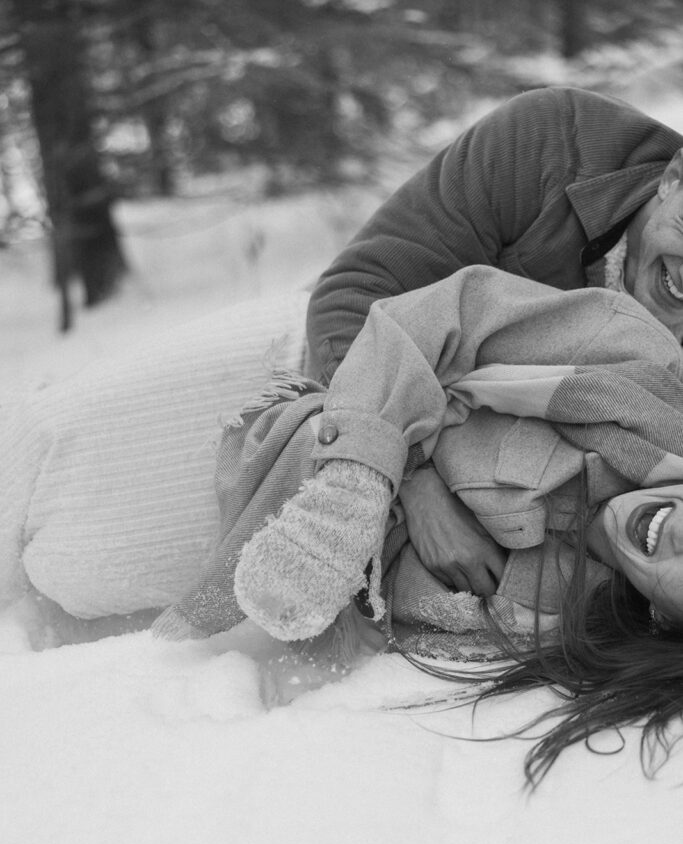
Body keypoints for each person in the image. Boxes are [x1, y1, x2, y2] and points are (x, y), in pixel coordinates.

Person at [153, 265, 683, 784]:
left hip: (262, 542)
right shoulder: (640, 365)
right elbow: (439, 316)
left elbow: (397, 609)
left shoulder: (573, 624)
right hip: (303, 381)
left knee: (94, 587)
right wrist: (381, 484)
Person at [304, 85, 683, 602]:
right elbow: (352, 297)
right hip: (363, 381)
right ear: (673, 178)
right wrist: (416, 487)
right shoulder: (546, 139)